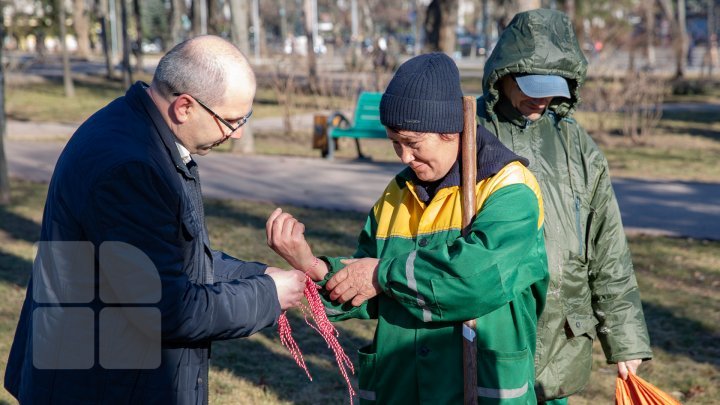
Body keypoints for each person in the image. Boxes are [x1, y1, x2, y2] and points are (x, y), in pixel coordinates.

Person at [4, 35, 306, 404]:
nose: (238, 132)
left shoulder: (138, 131)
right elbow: (167, 309)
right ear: (184, 107)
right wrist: (267, 296)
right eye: (231, 120)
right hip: (98, 386)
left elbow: (172, 255)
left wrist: (255, 275)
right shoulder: (130, 166)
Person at [267, 53, 549, 404]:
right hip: (402, 388)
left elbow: (474, 280)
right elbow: (365, 287)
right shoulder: (397, 194)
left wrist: (383, 274)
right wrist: (309, 264)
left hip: (477, 391)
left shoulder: (510, 188)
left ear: (450, 132)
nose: (403, 157)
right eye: (394, 143)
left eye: (413, 143)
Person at [476, 9, 653, 404]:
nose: (541, 97)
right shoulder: (469, 132)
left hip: (561, 334)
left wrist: (624, 340)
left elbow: (608, 249)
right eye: (530, 85)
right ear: (501, 76)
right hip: (489, 328)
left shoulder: (580, 148)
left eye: (552, 86)